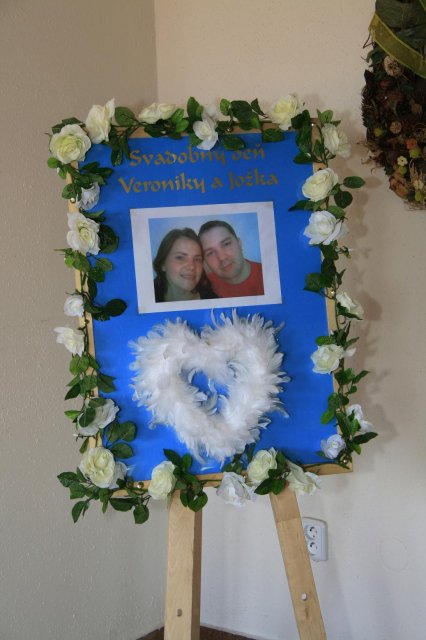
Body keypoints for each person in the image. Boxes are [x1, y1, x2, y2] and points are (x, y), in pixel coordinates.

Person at [198, 220, 264, 298]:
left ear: (239, 243)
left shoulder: (269, 276)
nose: (222, 258)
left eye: (226, 244)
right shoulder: (203, 288)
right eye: (210, 253)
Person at [153, 228, 217, 302]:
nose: (192, 266)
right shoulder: (145, 298)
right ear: (163, 264)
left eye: (197, 259)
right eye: (180, 257)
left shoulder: (214, 302)